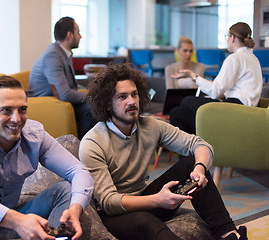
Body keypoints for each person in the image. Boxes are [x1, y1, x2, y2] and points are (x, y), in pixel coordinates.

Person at [79, 63, 247, 240]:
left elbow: (199, 144)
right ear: (107, 104)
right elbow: (109, 202)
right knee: (145, 222)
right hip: (113, 214)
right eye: (122, 97)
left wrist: (199, 169)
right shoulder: (93, 143)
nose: (132, 102)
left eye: (134, 94)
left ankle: (229, 233)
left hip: (146, 198)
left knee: (190, 163)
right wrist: (157, 200)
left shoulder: (150, 126)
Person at [0, 75, 94, 240]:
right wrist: (16, 221)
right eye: (6, 110)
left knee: (65, 189)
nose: (17, 119)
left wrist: (76, 208)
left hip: (13, 219)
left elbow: (78, 171)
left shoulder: (35, 136)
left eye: (22, 109)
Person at [170, 22, 262, 134]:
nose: (227, 40)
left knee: (186, 101)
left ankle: (196, 146)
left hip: (236, 108)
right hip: (246, 109)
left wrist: (192, 75)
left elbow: (215, 92)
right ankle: (198, 146)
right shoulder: (254, 59)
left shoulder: (234, 58)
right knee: (177, 113)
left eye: (227, 36)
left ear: (232, 38)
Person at [28, 16, 96, 139]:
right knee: (92, 107)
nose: (80, 36)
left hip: (57, 100)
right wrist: (93, 96)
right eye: (78, 32)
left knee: (97, 104)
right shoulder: (53, 55)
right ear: (69, 35)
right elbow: (65, 94)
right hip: (47, 104)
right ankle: (82, 148)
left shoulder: (61, 52)